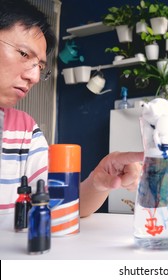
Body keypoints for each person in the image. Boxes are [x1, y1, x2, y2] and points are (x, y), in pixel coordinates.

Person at [0, 0, 143, 217]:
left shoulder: (24, 131)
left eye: (40, 67)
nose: (35, 77)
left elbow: (59, 206)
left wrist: (99, 180)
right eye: (24, 54)